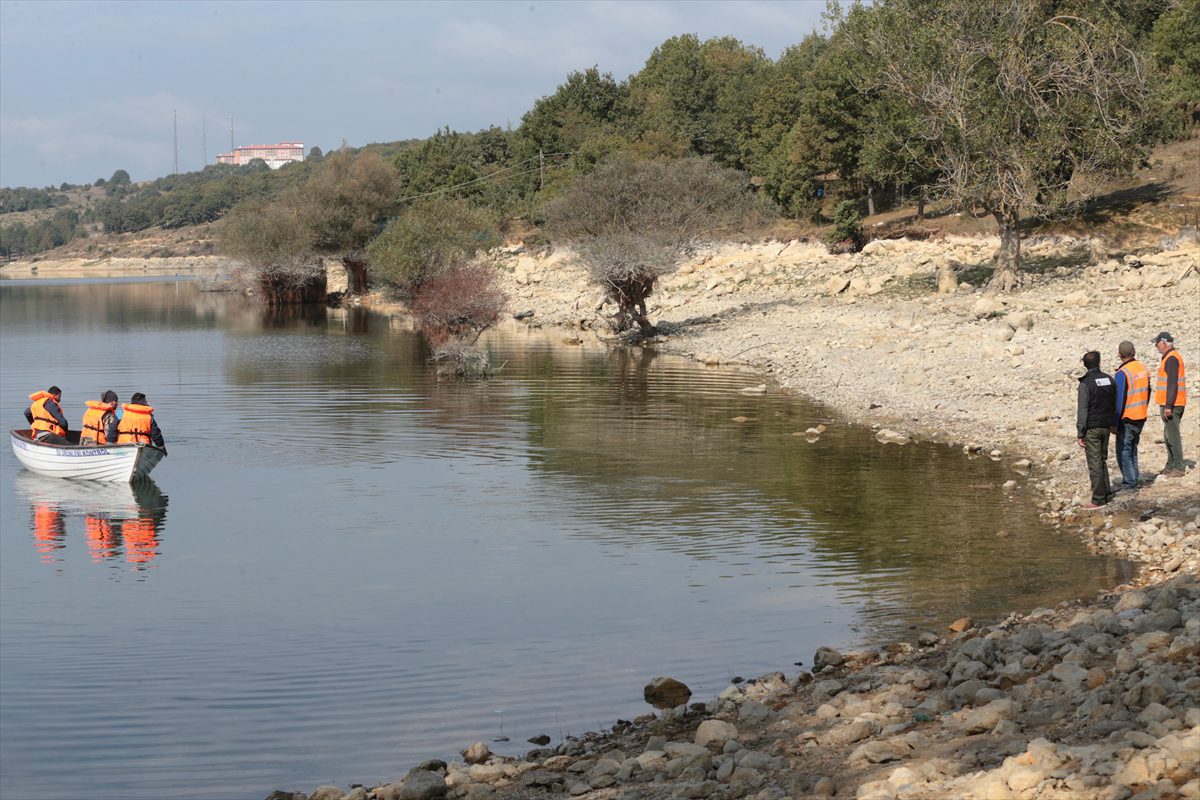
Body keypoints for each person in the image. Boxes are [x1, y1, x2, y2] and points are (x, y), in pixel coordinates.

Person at [1076, 351, 1116, 508]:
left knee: (1095, 462)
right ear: (1099, 363)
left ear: (1085, 365)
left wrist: (1080, 432)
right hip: (1107, 425)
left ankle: (1098, 499)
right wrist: (1113, 423)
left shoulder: (1085, 384)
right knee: (1102, 459)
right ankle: (1106, 491)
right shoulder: (1109, 380)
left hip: (1092, 428)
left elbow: (1083, 409)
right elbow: (1114, 402)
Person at [1113, 341, 1150, 491]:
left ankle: (1129, 483)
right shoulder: (1143, 368)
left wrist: (1115, 422)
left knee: (1124, 450)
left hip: (1127, 417)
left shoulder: (1123, 373)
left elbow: (1119, 399)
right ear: (1134, 352)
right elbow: (1148, 391)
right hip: (1141, 414)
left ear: (1119, 355)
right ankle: (1134, 476)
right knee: (1133, 448)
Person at [1152, 332, 1187, 477]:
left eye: (1157, 343)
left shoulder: (1171, 359)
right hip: (1172, 403)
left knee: (1173, 436)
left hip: (1172, 404)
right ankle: (1170, 464)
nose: (1156, 347)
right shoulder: (1170, 357)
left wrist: (1168, 406)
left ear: (1164, 343)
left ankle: (1178, 467)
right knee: (1168, 435)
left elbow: (1172, 383)